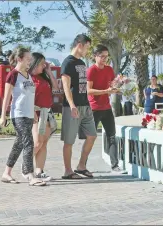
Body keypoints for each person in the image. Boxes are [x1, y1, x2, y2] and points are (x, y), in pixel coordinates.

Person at [0, 47, 46, 186]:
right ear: (19, 59)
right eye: (27, 59)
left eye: (30, 59)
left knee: (18, 145)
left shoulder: (28, 76)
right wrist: (3, 116)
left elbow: (29, 96)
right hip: (18, 115)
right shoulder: (13, 75)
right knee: (29, 142)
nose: (30, 62)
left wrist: (34, 113)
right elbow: (6, 97)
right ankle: (30, 176)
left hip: (29, 115)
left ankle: (6, 173)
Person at [60, 34, 97, 179]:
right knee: (69, 141)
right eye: (87, 47)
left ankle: (81, 166)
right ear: (80, 45)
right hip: (72, 107)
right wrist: (72, 105)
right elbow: (66, 87)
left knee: (92, 135)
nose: (87, 51)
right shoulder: (67, 63)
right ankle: (68, 171)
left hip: (85, 105)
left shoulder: (81, 63)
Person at [86, 44, 124, 172]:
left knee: (112, 136)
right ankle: (82, 165)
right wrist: (105, 91)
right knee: (90, 138)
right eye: (102, 56)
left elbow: (111, 86)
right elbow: (89, 91)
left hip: (107, 108)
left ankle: (115, 165)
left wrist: (119, 85)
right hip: (94, 109)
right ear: (95, 56)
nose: (104, 59)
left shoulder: (109, 70)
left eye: (106, 57)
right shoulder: (91, 70)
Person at [29, 52, 59, 181]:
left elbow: (56, 89)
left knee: (44, 143)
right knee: (37, 142)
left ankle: (39, 170)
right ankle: (26, 165)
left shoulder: (43, 77)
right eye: (41, 63)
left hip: (46, 112)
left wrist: (49, 71)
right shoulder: (28, 78)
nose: (44, 65)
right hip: (35, 113)